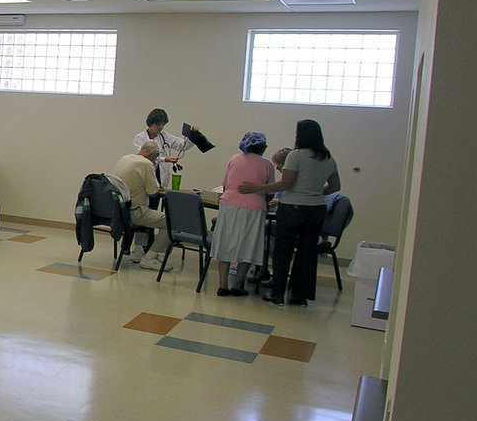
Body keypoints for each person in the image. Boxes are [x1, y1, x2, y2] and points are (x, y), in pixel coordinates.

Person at [241, 119, 340, 305]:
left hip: (293, 208)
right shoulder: (327, 158)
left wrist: (257, 187)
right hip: (317, 209)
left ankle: (277, 293)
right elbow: (335, 186)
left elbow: (285, 184)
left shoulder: (296, 156)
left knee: (283, 251)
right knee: (307, 254)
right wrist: (316, 192)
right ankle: (300, 296)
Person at [211, 131, 276, 296]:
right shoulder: (267, 164)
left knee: (226, 244)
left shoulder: (234, 159)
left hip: (229, 206)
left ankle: (222, 285)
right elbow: (271, 190)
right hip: (254, 208)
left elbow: (225, 184)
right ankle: (238, 285)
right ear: (263, 147)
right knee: (248, 245)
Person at [112, 144, 166, 268]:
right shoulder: (147, 164)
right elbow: (153, 192)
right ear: (153, 155)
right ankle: (150, 257)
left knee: (147, 213)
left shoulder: (124, 159)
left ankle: (139, 251)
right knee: (172, 222)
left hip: (119, 210)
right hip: (134, 212)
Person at [134, 108, 204, 193]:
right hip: (148, 176)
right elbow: (143, 158)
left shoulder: (164, 136)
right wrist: (165, 159)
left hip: (162, 177)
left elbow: (182, 145)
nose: (161, 127)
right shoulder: (140, 138)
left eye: (163, 125)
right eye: (158, 125)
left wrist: (193, 134)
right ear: (150, 123)